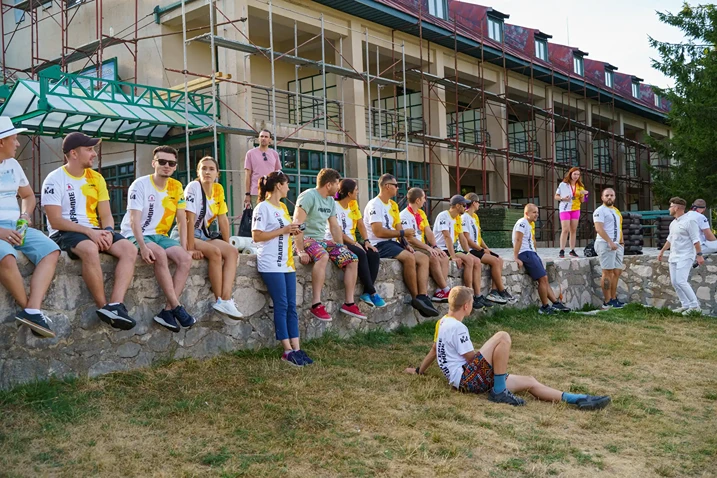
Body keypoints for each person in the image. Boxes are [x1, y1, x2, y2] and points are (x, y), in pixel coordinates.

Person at [404, 287, 611, 410]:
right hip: (467, 379)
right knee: (502, 336)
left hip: (466, 379)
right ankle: (499, 391)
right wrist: (493, 359)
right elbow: (471, 359)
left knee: (530, 381)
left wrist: (419, 371)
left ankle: (578, 399)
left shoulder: (441, 323)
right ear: (466, 306)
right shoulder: (458, 327)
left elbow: (434, 350)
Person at [42, 132, 138, 330]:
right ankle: (103, 307)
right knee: (89, 249)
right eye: (89, 149)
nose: (94, 153)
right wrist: (90, 232)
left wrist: (108, 231)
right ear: (74, 153)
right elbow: (55, 220)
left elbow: (106, 215)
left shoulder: (97, 178)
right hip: (65, 231)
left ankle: (115, 305)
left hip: (94, 230)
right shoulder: (54, 179)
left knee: (130, 249)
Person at [120, 146, 195, 332]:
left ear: (175, 167)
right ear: (154, 163)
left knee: (185, 258)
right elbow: (133, 220)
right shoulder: (139, 185)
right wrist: (143, 246)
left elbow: (181, 220)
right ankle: (177, 307)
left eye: (171, 163)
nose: (166, 166)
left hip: (161, 235)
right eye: (162, 162)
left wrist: (184, 246)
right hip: (135, 233)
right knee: (159, 254)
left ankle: (168, 311)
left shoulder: (177, 186)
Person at [0, 118, 60, 338]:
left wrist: (24, 216)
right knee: (7, 257)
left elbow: (27, 196)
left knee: (51, 251)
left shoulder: (13, 165)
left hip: (16, 227)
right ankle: (31, 313)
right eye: (14, 139)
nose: (17, 144)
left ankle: (32, 310)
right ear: (1, 141)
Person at [252, 171, 313, 367]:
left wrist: (294, 230)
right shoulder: (262, 207)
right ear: (278, 185)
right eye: (286, 184)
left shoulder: (284, 207)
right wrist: (284, 230)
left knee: (291, 306)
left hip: (286, 263)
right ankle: (287, 351)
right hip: (271, 263)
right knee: (282, 304)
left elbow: (285, 231)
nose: (288, 188)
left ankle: (297, 348)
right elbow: (257, 236)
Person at [293, 168, 365, 321]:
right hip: (306, 239)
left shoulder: (331, 201)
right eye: (337, 184)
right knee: (323, 256)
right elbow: (297, 223)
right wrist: (300, 250)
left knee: (352, 258)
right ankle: (316, 304)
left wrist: (340, 246)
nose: (339, 187)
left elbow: (334, 226)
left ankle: (349, 303)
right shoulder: (308, 196)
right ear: (328, 185)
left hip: (321, 240)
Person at [364, 174, 439, 317]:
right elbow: (378, 231)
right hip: (378, 243)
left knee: (423, 258)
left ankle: (423, 297)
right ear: (387, 186)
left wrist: (405, 243)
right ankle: (416, 298)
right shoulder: (374, 204)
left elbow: (398, 228)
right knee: (409, 258)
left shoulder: (393, 205)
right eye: (396, 185)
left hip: (391, 242)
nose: (398, 188)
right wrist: (403, 233)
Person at [178, 156, 243, 319]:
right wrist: (190, 248)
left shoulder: (218, 189)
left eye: (211, 169)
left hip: (203, 234)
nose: (207, 172)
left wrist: (227, 244)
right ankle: (219, 299)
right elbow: (188, 219)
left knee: (232, 252)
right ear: (198, 172)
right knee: (215, 253)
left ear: (217, 174)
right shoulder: (193, 187)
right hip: (186, 233)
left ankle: (226, 299)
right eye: (204, 168)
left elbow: (223, 219)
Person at [331, 179, 386, 308]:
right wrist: (355, 243)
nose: (358, 192)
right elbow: (339, 232)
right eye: (356, 190)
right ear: (349, 193)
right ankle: (372, 292)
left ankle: (366, 292)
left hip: (352, 240)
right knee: (360, 253)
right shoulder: (335, 206)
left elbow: (360, 224)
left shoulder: (353, 204)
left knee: (373, 253)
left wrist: (366, 241)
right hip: (338, 241)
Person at [433, 195, 494, 310]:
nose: (466, 207)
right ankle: (466, 295)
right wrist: (453, 256)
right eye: (464, 205)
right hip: (442, 248)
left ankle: (475, 295)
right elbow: (447, 237)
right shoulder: (443, 216)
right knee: (470, 260)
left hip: (451, 248)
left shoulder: (457, 218)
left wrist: (467, 252)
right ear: (457, 206)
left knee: (474, 260)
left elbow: (462, 238)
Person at [512, 204, 571, 314]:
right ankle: (544, 307)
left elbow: (532, 240)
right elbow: (518, 240)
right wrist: (516, 257)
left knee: (544, 279)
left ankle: (555, 303)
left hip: (532, 253)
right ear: (526, 213)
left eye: (537, 212)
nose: (537, 215)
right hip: (525, 253)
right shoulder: (522, 223)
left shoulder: (530, 224)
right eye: (534, 212)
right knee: (543, 279)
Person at [399, 188, 451, 303]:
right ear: (418, 200)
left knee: (444, 257)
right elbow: (409, 238)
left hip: (421, 245)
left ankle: (440, 291)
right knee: (433, 257)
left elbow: (428, 231)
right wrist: (428, 248)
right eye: (423, 198)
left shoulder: (421, 213)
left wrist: (435, 246)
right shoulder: (404, 215)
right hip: (411, 245)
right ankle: (446, 289)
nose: (425, 201)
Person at [461, 192, 514, 304]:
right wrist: (481, 250)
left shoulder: (475, 217)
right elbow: (467, 239)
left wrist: (487, 248)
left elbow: (479, 237)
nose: (479, 205)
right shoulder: (464, 217)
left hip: (477, 248)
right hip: (471, 250)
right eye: (478, 202)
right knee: (495, 261)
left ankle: (494, 291)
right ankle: (502, 290)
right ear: (474, 203)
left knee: (499, 259)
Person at [658, 197, 703, 315]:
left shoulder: (690, 221)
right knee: (675, 282)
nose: (669, 209)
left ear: (676, 208)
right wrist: (662, 251)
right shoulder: (673, 223)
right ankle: (685, 305)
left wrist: (699, 255)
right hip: (674, 256)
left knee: (681, 281)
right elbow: (670, 239)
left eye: (671, 206)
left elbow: (696, 240)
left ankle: (695, 306)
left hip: (686, 255)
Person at [593, 188, 626, 309]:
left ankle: (613, 298)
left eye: (611, 195)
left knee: (617, 272)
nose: (609, 197)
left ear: (615, 197)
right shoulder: (599, 211)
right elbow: (599, 228)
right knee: (607, 272)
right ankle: (607, 301)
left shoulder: (616, 211)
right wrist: (609, 242)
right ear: (602, 197)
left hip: (617, 245)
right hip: (605, 244)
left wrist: (621, 242)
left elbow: (619, 227)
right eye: (606, 195)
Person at [554, 167, 588, 258]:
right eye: (574, 174)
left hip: (576, 209)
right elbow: (556, 196)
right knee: (565, 229)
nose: (576, 176)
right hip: (565, 208)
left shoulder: (580, 186)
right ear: (570, 174)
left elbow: (583, 200)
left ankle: (572, 250)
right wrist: (562, 198)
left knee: (573, 229)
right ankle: (562, 250)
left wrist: (585, 195)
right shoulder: (563, 184)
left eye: (578, 174)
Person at [244, 129, 281, 209]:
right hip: (256, 192)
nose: (263, 138)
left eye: (266, 137)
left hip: (271, 192)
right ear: (258, 138)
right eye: (261, 136)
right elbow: (247, 175)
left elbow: (278, 175)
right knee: (258, 215)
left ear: (270, 140)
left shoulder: (274, 154)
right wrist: (247, 194)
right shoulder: (250, 153)